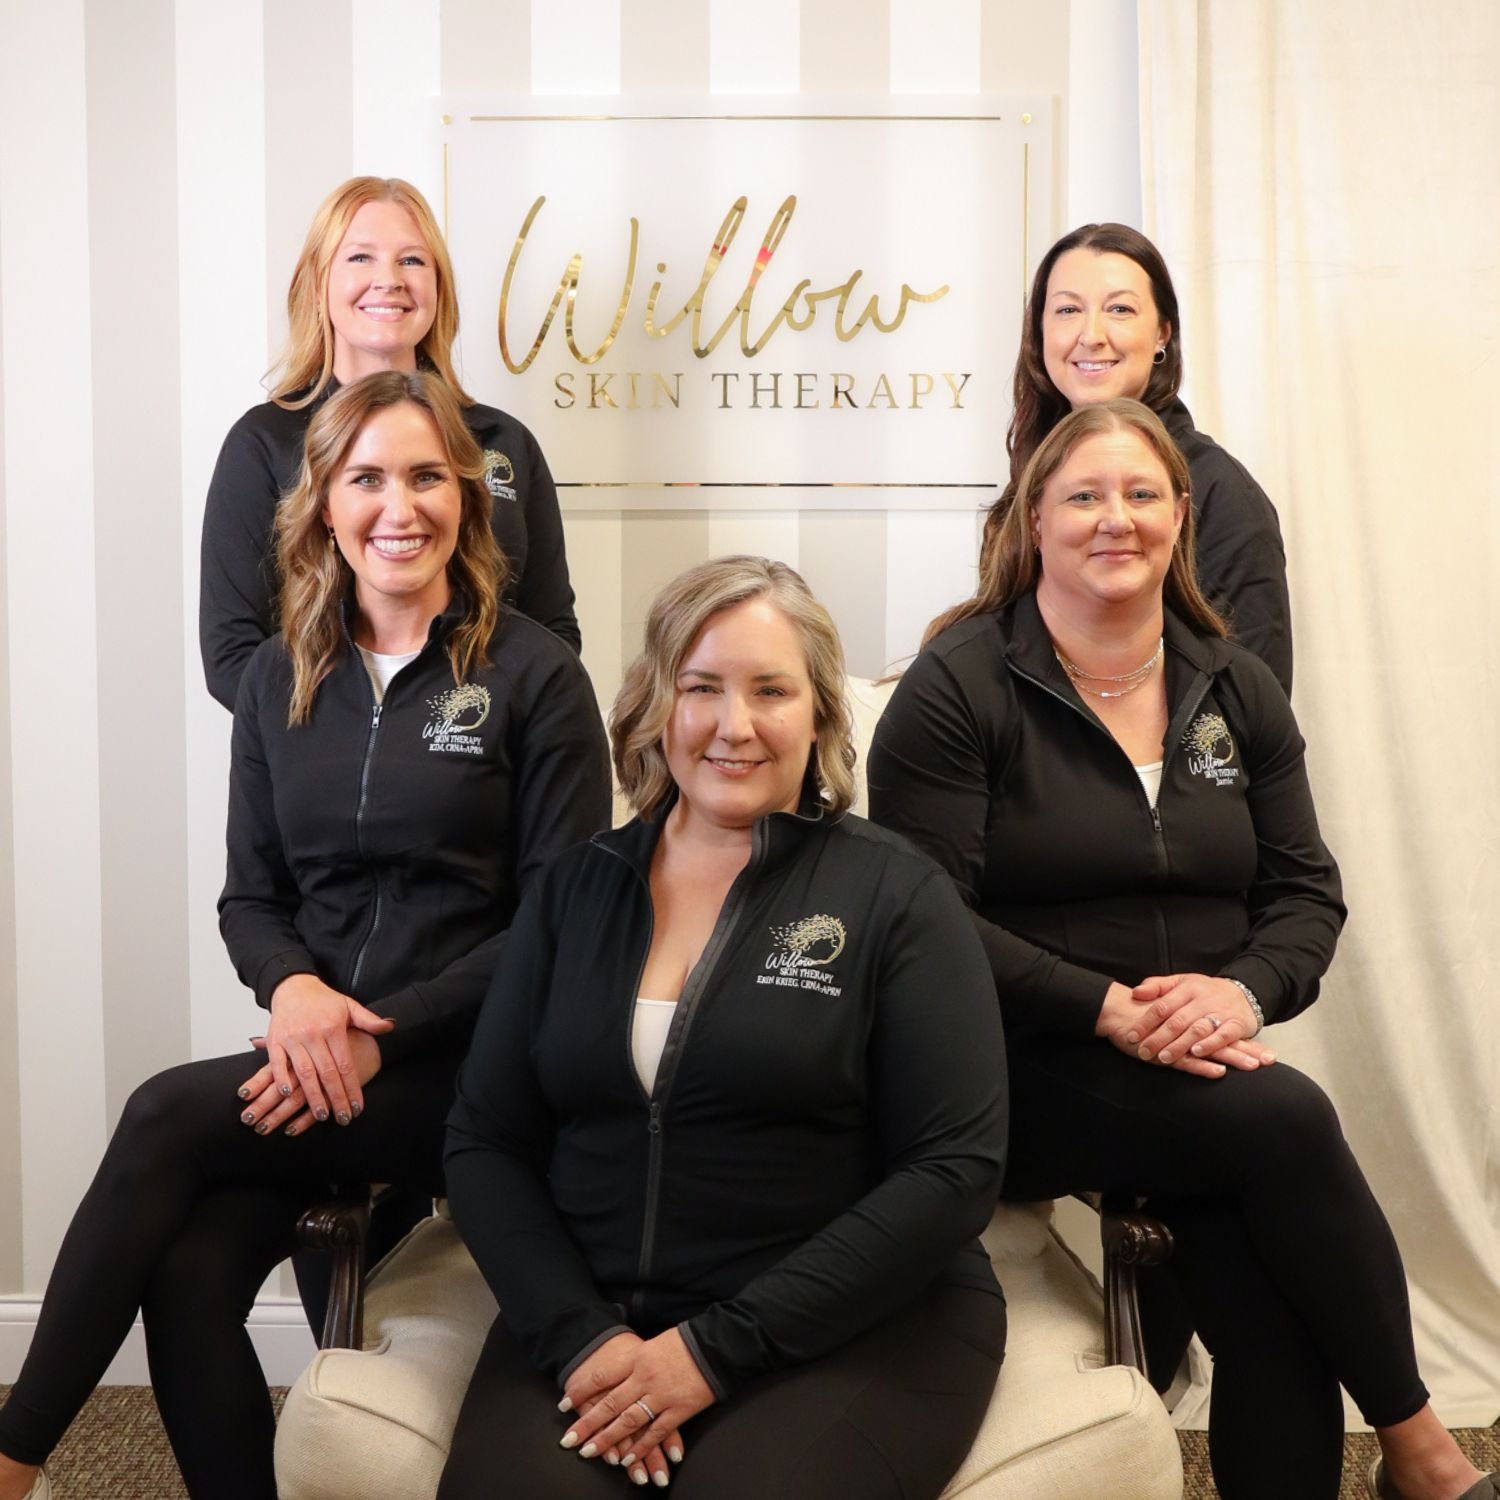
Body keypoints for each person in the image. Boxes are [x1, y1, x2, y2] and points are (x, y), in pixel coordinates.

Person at [867, 398, 1495, 1500]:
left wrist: (1242, 997)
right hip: (1011, 1070)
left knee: (1265, 1306)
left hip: (1197, 1076)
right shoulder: (960, 686)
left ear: (1181, 516)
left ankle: (1413, 1458)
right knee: (1286, 1116)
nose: (1116, 518)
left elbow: (1307, 894)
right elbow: (922, 922)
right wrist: (1107, 1008)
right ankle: (1421, 1448)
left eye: (1141, 494)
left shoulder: (1231, 683)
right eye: (1084, 495)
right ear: (1033, 518)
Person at [0, 372, 611, 1500]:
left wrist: (381, 1033)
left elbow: (562, 924)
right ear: (323, 501)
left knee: (158, 1113)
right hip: (321, 1059)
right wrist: (293, 994)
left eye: (427, 477)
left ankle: (13, 1454)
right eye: (366, 477)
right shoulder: (280, 675)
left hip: (478, 1078)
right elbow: (251, 899)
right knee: (188, 1274)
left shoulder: (536, 677)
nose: (400, 505)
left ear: (467, 500)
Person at [437, 557, 1008, 1499]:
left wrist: (710, 1353)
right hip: (598, 1319)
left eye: (771, 690)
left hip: (860, 1326)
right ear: (661, 705)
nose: (733, 726)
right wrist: (581, 1334)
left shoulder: (895, 892)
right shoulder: (572, 890)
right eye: (702, 688)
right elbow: (485, 1138)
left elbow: (954, 1171)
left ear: (820, 713)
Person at [200, 174, 579, 712]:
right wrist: (366, 744)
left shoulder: (504, 443)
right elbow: (231, 656)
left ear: (438, 288)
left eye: (412, 261)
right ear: (316, 286)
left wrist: (473, 739)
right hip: (321, 768)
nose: (389, 280)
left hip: (489, 763)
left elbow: (553, 632)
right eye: (359, 258)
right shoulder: (263, 444)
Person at [1001, 222, 1292, 693]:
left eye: (1119, 309)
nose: (1091, 335)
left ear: (1162, 333)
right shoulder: (1036, 471)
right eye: (1068, 309)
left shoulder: (1219, 491)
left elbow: (1254, 700)